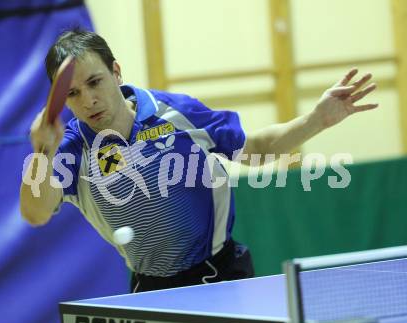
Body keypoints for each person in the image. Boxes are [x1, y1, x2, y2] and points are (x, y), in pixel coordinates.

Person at [19, 29, 378, 292]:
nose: (88, 101)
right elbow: (35, 213)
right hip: (150, 288)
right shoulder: (73, 148)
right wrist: (41, 152)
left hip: (220, 274)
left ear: (116, 72)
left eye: (95, 82)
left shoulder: (175, 114)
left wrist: (317, 119)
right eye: (73, 94)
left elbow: (253, 150)